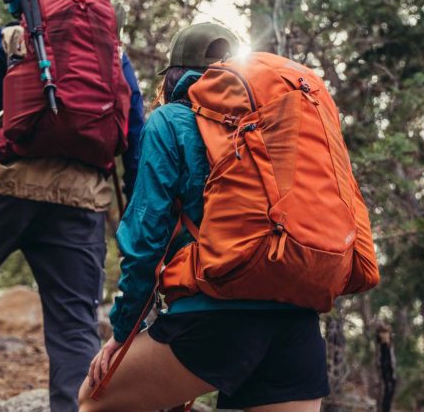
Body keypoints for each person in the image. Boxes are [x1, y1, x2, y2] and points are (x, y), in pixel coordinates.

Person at [77, 23, 334, 412]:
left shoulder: (170, 121)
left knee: (94, 401)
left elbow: (146, 238)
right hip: (297, 326)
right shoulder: (277, 126)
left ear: (174, 76)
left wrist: (124, 332)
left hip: (215, 319)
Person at [0, 0, 145, 412]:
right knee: (75, 327)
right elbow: (134, 133)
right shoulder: (113, 56)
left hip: (7, 189)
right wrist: (132, 206)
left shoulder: (14, 38)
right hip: (81, 202)